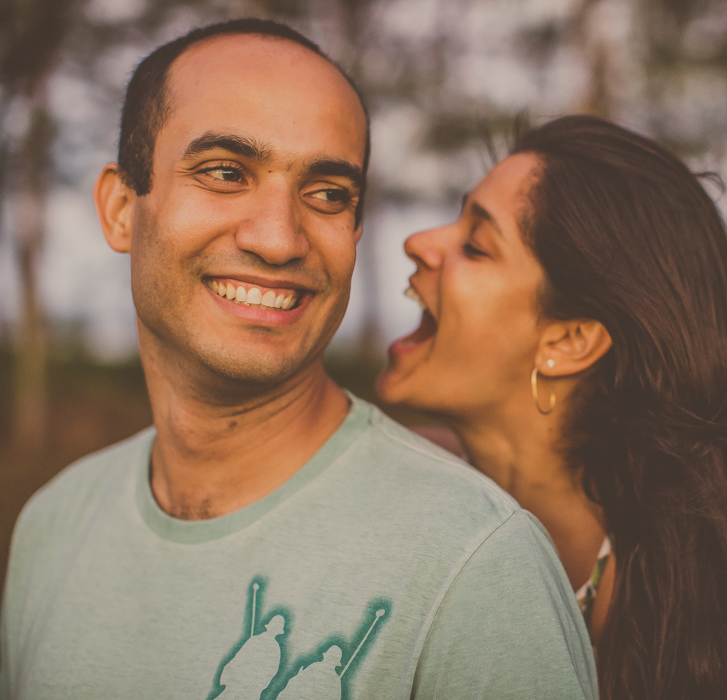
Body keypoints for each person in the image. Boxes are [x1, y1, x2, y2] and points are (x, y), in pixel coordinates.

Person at [0, 20, 597, 700]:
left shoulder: (476, 563)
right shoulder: (52, 524)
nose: (280, 239)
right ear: (119, 209)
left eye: (328, 194)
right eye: (225, 173)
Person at [376, 115, 727, 699]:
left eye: (476, 246)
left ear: (568, 341)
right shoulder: (395, 469)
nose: (417, 241)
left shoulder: (635, 619)